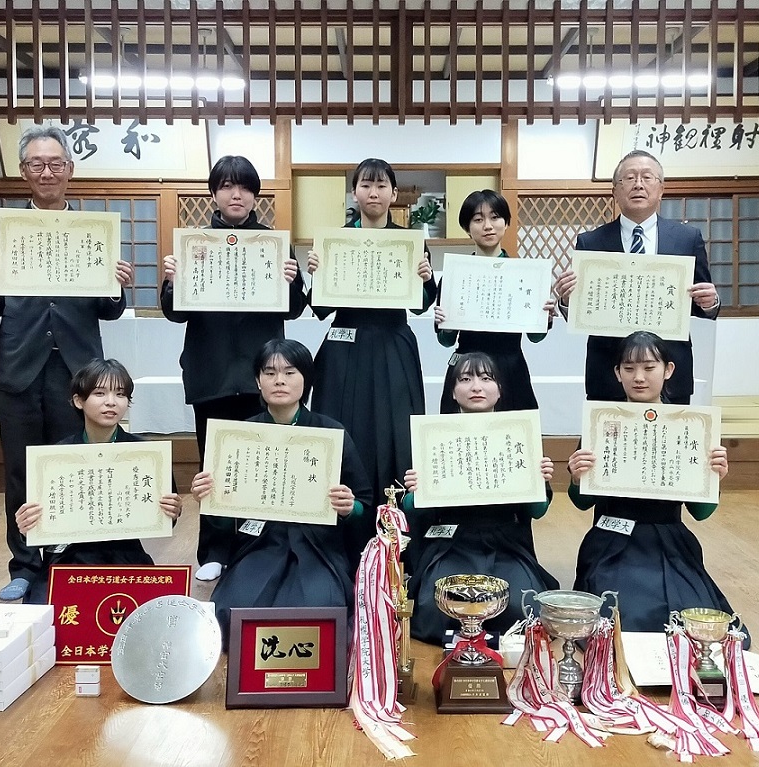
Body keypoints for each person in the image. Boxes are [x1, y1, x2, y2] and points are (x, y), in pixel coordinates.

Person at [0, 125, 135, 602]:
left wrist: (115, 284)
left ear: (70, 169)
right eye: (37, 164)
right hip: (20, 367)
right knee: (21, 470)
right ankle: (24, 565)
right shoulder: (7, 233)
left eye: (55, 163)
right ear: (24, 172)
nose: (47, 171)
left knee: (76, 466)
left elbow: (109, 310)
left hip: (78, 373)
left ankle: (71, 560)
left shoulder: (92, 235)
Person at [160, 155, 307, 583]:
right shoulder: (195, 242)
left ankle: (263, 545)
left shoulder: (272, 242)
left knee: (266, 462)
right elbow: (175, 314)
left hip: (265, 373)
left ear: (256, 195)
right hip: (213, 372)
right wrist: (172, 282)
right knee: (216, 466)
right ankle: (215, 548)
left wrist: (293, 280)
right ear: (214, 194)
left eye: (243, 187)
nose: (235, 194)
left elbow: (296, 309)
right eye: (226, 186)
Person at [566, 331, 743, 644]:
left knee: (693, 623)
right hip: (612, 540)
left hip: (670, 542)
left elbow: (700, 513)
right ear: (617, 373)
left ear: (668, 370)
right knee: (621, 619)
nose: (639, 378)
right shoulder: (601, 423)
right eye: (629, 368)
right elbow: (582, 503)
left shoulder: (690, 426)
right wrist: (578, 478)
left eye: (649, 368)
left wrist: (716, 478)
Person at [190, 339, 373, 636]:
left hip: (317, 544)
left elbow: (362, 503)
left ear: (306, 380)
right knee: (231, 615)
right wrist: (209, 499)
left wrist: (348, 507)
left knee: (320, 612)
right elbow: (224, 521)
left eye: (290, 372)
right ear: (257, 381)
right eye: (269, 372)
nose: (279, 381)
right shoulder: (239, 436)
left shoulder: (331, 431)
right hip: (260, 541)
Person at [306, 158, 437, 554]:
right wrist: (318, 273)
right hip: (344, 347)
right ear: (355, 193)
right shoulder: (336, 240)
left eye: (382, 186)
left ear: (394, 194)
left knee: (396, 433)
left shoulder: (409, 241)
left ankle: (396, 534)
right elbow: (320, 309)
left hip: (393, 344)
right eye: (366, 185)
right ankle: (343, 525)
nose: (374, 193)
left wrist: (427, 279)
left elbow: (421, 306)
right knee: (343, 428)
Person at [402, 352, 559, 645]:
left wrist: (540, 481)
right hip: (451, 541)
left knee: (522, 607)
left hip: (505, 542)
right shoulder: (434, 437)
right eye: (466, 379)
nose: (477, 386)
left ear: (499, 390)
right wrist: (415, 491)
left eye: (487, 379)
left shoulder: (518, 435)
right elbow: (411, 508)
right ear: (452, 390)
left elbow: (537, 511)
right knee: (435, 609)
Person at [553, 149, 719, 405]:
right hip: (610, 371)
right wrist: (565, 300)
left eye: (647, 177)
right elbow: (581, 312)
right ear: (615, 191)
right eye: (629, 178)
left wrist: (710, 304)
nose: (638, 184)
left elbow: (700, 305)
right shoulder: (591, 241)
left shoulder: (688, 238)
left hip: (669, 372)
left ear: (661, 189)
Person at [14, 359, 182, 605]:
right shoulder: (56, 457)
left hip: (125, 553)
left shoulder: (145, 454)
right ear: (78, 401)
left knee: (150, 609)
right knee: (46, 610)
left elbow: (167, 517)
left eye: (120, 394)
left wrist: (173, 511)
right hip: (70, 555)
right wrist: (27, 524)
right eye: (100, 393)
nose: (111, 402)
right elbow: (40, 529)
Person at [432, 190, 556, 414]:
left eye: (495, 217)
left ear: (506, 223)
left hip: (510, 366)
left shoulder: (526, 274)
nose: (487, 225)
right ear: (467, 228)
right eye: (478, 219)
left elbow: (536, 338)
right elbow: (446, 342)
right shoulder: (455, 274)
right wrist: (446, 324)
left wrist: (544, 318)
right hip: (467, 370)